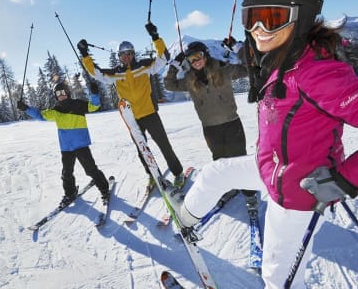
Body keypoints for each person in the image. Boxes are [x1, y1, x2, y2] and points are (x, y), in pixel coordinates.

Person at [167, 0, 358, 288]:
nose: (259, 28)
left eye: (272, 17)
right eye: (251, 18)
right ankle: (184, 220)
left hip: (298, 195)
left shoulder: (318, 74)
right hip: (271, 169)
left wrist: (345, 180)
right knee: (215, 173)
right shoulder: (282, 59)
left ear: (301, 16)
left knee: (278, 277)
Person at [77, 22, 185, 188]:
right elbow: (95, 72)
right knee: (142, 150)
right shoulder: (115, 74)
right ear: (119, 56)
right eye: (122, 54)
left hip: (150, 114)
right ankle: (152, 175)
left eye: (128, 53)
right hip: (132, 119)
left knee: (164, 145)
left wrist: (155, 36)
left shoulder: (144, 67)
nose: (126, 56)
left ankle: (178, 173)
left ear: (133, 54)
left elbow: (163, 57)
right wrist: (84, 54)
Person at [164, 40, 258, 210]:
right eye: (191, 59)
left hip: (231, 124)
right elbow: (169, 84)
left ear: (205, 55)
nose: (196, 61)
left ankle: (250, 196)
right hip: (210, 129)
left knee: (240, 161)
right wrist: (175, 64)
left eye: (198, 56)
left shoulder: (224, 70)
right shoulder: (189, 80)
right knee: (219, 162)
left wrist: (238, 48)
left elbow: (249, 68)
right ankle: (228, 188)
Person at [17, 81, 111, 207]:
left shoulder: (78, 105)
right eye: (58, 93)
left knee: (90, 170)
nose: (61, 95)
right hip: (66, 147)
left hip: (81, 144)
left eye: (62, 92)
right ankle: (70, 193)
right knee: (67, 173)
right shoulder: (57, 110)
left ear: (67, 92)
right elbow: (40, 115)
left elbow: (94, 106)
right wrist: (26, 108)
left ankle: (104, 190)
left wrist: (94, 93)